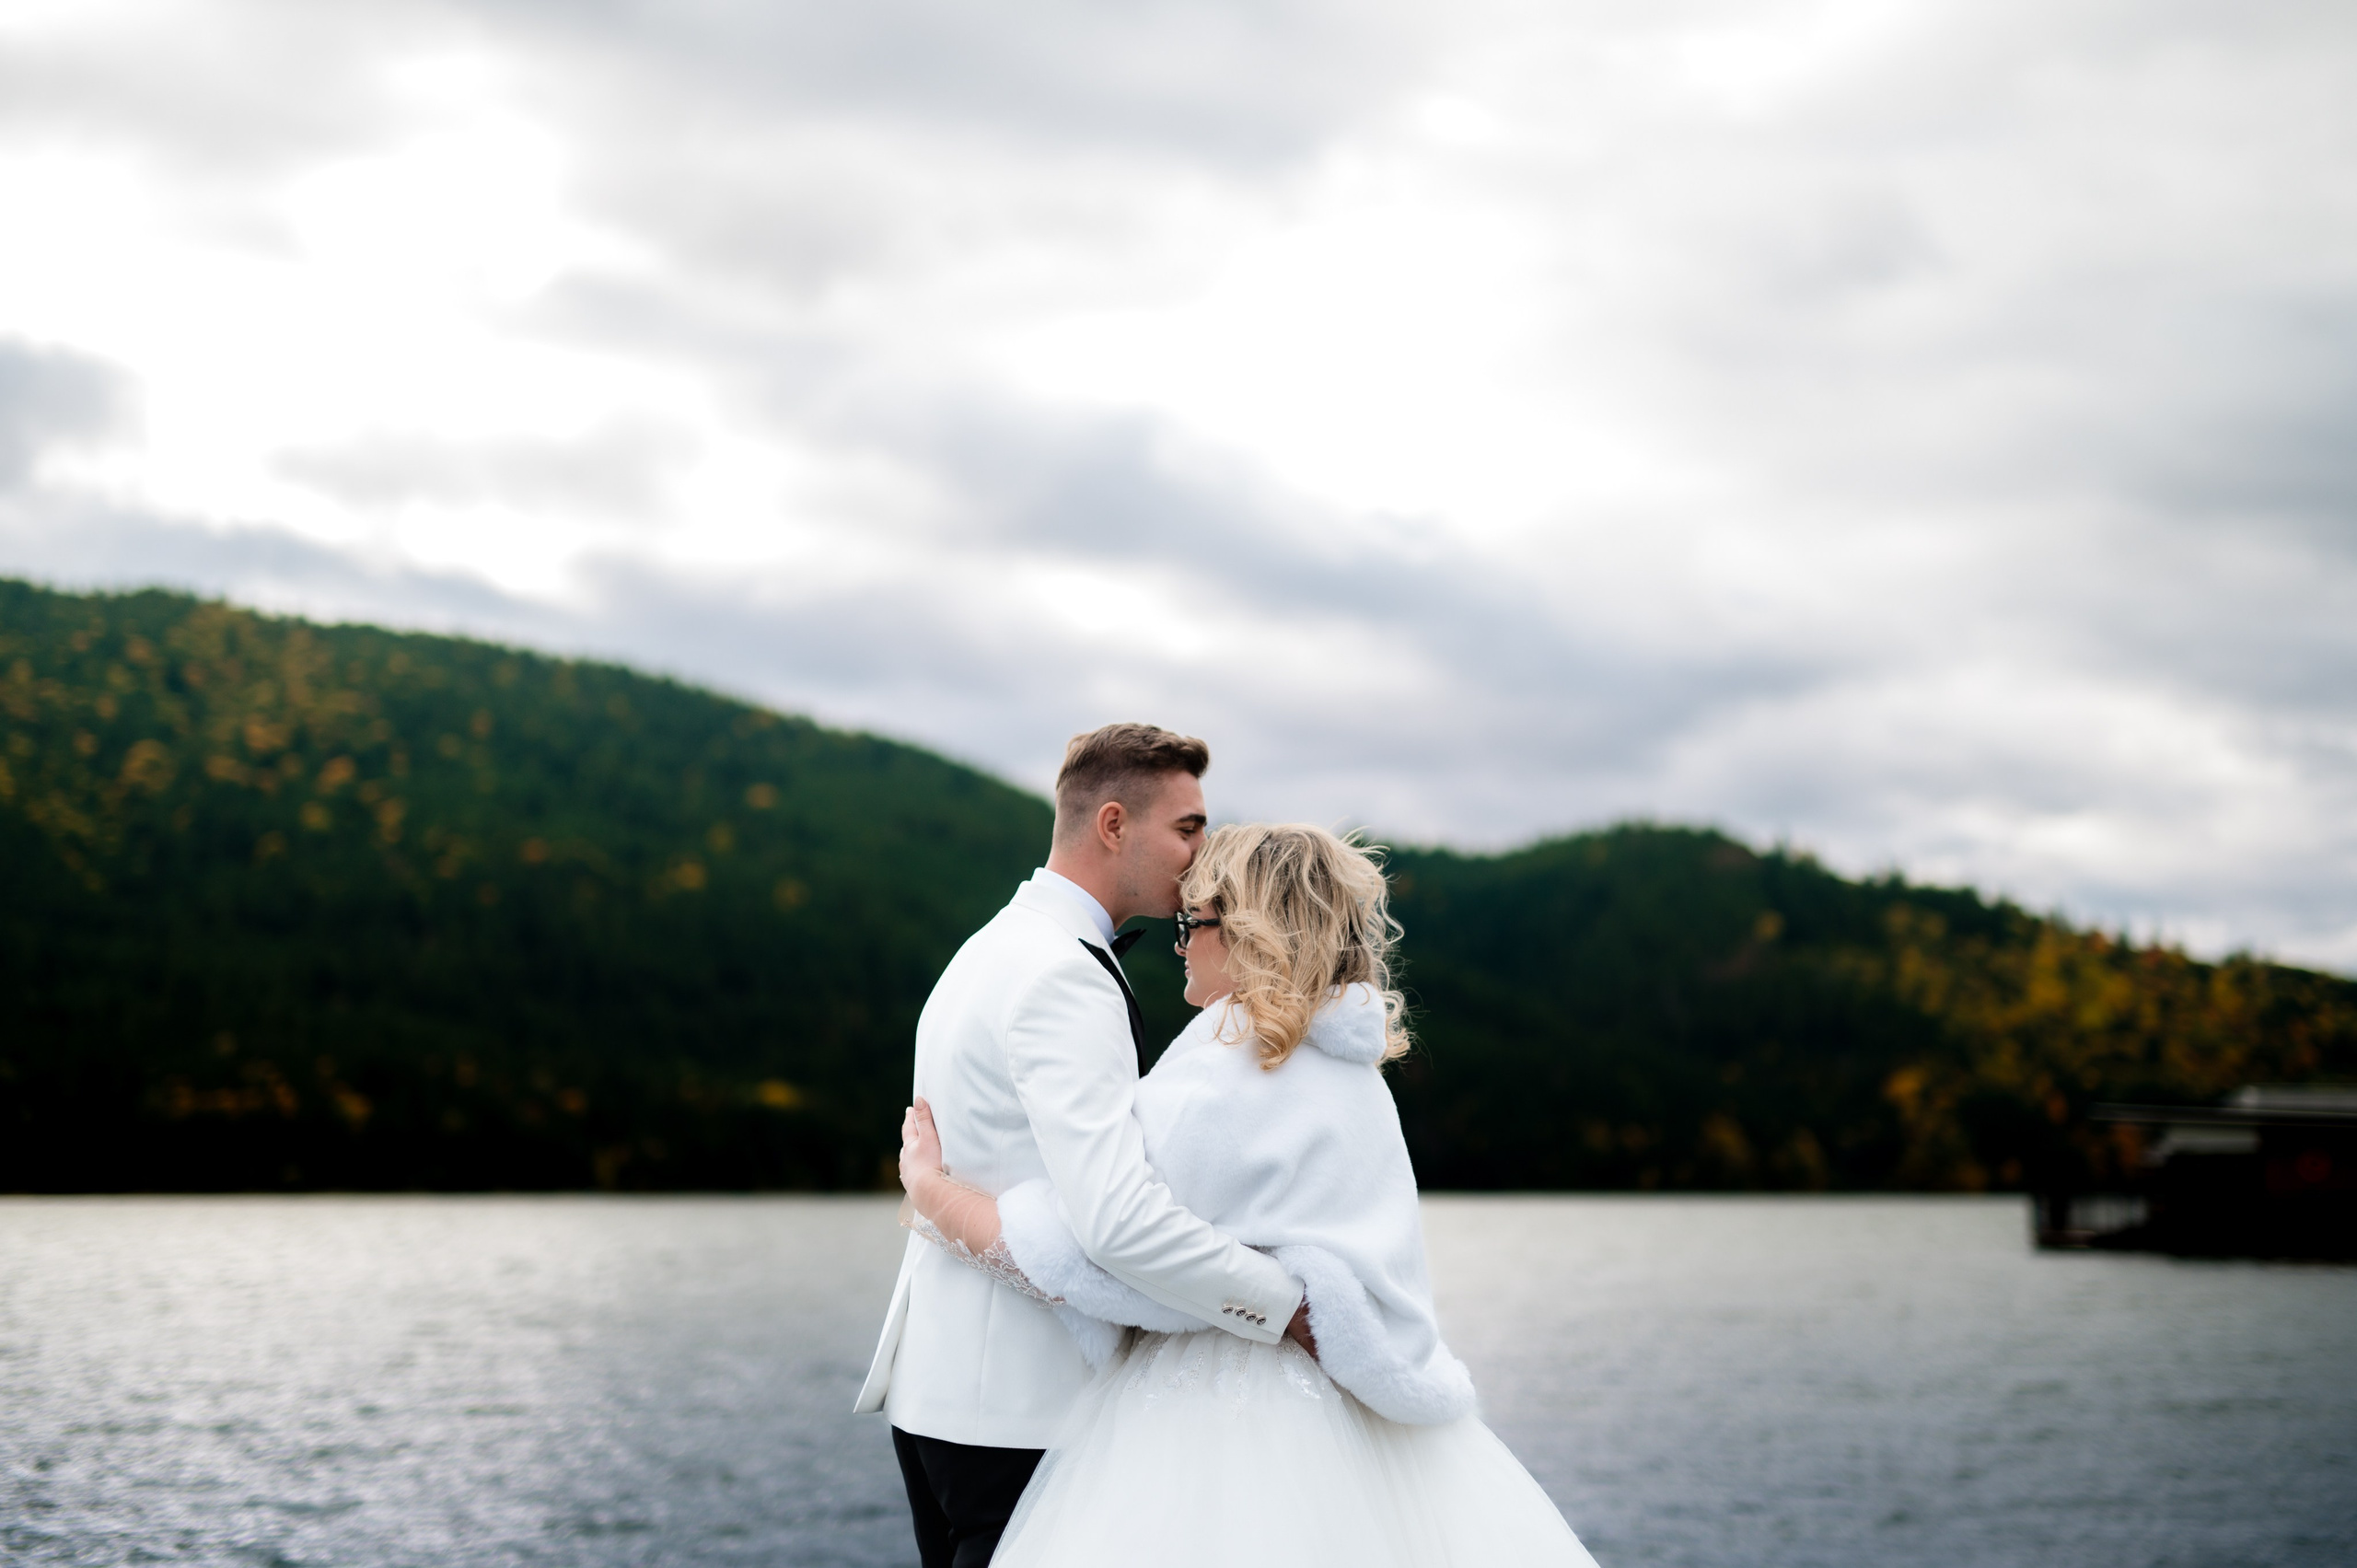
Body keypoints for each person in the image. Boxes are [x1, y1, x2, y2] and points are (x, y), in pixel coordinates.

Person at [897, 821, 1600, 1566]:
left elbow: (1102, 1252)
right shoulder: (1359, 1081)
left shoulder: (1225, 1070)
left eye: (1191, 924)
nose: (1180, 946)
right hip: (1360, 1428)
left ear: (1246, 933)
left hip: (1217, 1415)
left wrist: (933, 1193)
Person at [853, 724, 1313, 1568]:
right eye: (1186, 828)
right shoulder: (1064, 973)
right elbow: (1118, 1222)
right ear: (1112, 823)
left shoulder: (989, 946)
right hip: (1021, 1411)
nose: (1201, 856)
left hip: (942, 1396)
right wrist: (1286, 1308)